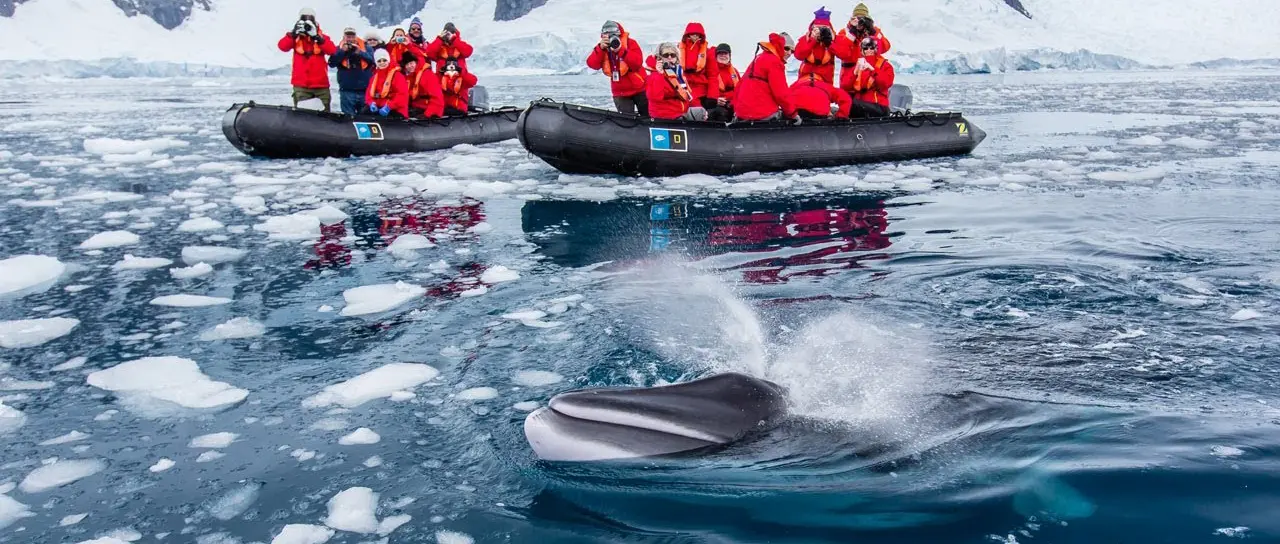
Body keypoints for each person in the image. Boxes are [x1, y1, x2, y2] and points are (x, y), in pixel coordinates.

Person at [277, 8, 336, 112]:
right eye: (304, 20)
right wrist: (293, 33)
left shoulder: (322, 38)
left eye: (310, 20)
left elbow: (332, 50)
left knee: (325, 116)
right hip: (301, 85)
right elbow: (282, 46)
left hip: (320, 85)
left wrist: (317, 37)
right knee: (302, 116)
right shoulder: (294, 38)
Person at [586, 20, 648, 117]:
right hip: (620, 92)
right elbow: (592, 65)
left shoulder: (630, 43)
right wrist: (600, 49)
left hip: (640, 88)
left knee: (649, 116)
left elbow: (637, 63)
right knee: (627, 120)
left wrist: (620, 50)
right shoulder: (603, 48)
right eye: (607, 34)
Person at [731, 33, 798, 122]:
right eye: (786, 48)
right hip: (762, 114)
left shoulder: (758, 59)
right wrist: (793, 114)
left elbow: (740, 86)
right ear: (779, 46)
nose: (789, 53)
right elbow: (781, 94)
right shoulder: (774, 62)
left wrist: (736, 110)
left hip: (742, 114)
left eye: (792, 51)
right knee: (786, 116)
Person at [646, 43, 708, 121]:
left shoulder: (678, 73)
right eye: (666, 55)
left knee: (702, 113)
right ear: (659, 58)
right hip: (664, 115)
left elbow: (688, 94)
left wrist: (699, 108)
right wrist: (659, 74)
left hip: (680, 112)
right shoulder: (654, 75)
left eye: (672, 55)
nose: (669, 57)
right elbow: (654, 96)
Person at [328, 27, 374, 116]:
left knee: (366, 118)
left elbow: (372, 61)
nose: (350, 39)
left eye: (352, 36)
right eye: (348, 36)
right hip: (347, 91)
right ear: (344, 37)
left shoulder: (366, 48)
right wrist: (342, 51)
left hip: (364, 91)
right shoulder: (339, 48)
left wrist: (360, 53)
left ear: (356, 37)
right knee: (348, 119)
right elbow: (331, 63)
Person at [847, 37, 894, 118]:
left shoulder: (886, 66)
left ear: (876, 49)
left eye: (871, 48)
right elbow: (846, 86)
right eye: (865, 48)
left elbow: (886, 83)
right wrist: (854, 72)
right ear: (862, 51)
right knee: (844, 101)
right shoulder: (857, 65)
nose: (869, 50)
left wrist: (872, 69)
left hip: (879, 107)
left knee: (851, 103)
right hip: (861, 106)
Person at [678, 23, 721, 110]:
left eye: (698, 34)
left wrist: (712, 97)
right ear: (687, 35)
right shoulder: (677, 51)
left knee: (696, 112)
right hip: (681, 89)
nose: (695, 36)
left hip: (701, 92)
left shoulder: (708, 53)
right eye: (692, 33)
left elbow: (713, 76)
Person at [794, 6, 838, 84]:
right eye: (818, 28)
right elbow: (798, 55)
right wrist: (813, 40)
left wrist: (830, 42)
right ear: (813, 28)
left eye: (824, 28)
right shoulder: (806, 39)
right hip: (805, 79)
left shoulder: (834, 40)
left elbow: (843, 54)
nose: (820, 31)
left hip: (825, 81)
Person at [365, 48, 409, 118]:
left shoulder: (397, 75)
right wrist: (371, 103)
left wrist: (389, 106)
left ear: (388, 61)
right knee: (363, 114)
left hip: (396, 108)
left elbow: (402, 96)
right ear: (376, 63)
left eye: (384, 60)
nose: (382, 63)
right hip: (380, 107)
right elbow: (368, 94)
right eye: (379, 61)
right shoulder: (374, 77)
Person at [709, 43, 739, 122]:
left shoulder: (735, 71)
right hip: (718, 105)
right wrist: (715, 100)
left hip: (733, 103)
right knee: (720, 113)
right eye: (720, 54)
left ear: (729, 55)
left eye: (725, 53)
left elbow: (741, 88)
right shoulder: (711, 71)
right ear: (716, 56)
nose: (723, 56)